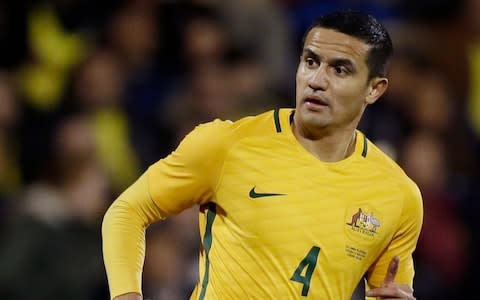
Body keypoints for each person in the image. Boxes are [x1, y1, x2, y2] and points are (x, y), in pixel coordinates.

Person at [102, 11, 423, 300]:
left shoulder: (398, 196)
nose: (317, 81)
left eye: (340, 70)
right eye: (311, 62)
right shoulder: (226, 145)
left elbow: (387, 292)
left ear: (374, 89)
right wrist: (126, 294)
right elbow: (127, 212)